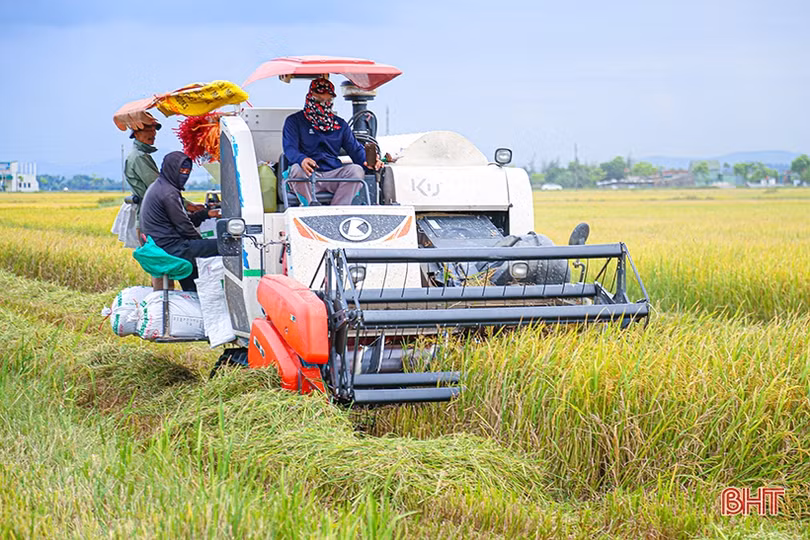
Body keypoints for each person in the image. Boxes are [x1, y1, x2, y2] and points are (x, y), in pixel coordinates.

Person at [282, 77, 383, 206]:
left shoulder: (340, 125)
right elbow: (290, 149)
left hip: (333, 175)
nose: (324, 105)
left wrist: (369, 161)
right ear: (310, 97)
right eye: (319, 100)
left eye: (328, 101)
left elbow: (355, 150)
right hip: (308, 176)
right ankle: (309, 209)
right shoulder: (294, 121)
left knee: (356, 171)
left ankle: (337, 210)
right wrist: (302, 159)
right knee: (296, 169)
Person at [140, 151, 221, 292]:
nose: (184, 175)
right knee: (225, 246)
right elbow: (184, 226)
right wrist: (200, 241)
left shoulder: (159, 186)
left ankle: (193, 295)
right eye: (181, 171)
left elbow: (180, 220)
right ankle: (205, 295)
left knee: (194, 253)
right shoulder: (169, 192)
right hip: (170, 247)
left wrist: (205, 214)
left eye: (187, 171)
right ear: (170, 169)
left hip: (159, 244)